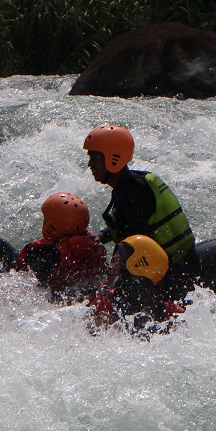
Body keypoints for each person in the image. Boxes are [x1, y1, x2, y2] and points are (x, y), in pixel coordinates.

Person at [83, 124, 199, 299]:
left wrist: (109, 281)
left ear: (113, 158)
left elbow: (135, 243)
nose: (90, 165)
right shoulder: (129, 185)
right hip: (177, 262)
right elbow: (131, 226)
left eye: (95, 159)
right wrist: (103, 235)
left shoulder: (132, 192)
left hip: (172, 272)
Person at [16, 192, 108, 301]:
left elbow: (30, 282)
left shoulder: (46, 252)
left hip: (53, 298)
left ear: (52, 223)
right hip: (83, 294)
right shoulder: (91, 243)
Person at [87, 234, 186, 335]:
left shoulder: (172, 312)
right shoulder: (105, 301)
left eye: (115, 261)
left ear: (135, 265)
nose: (110, 267)